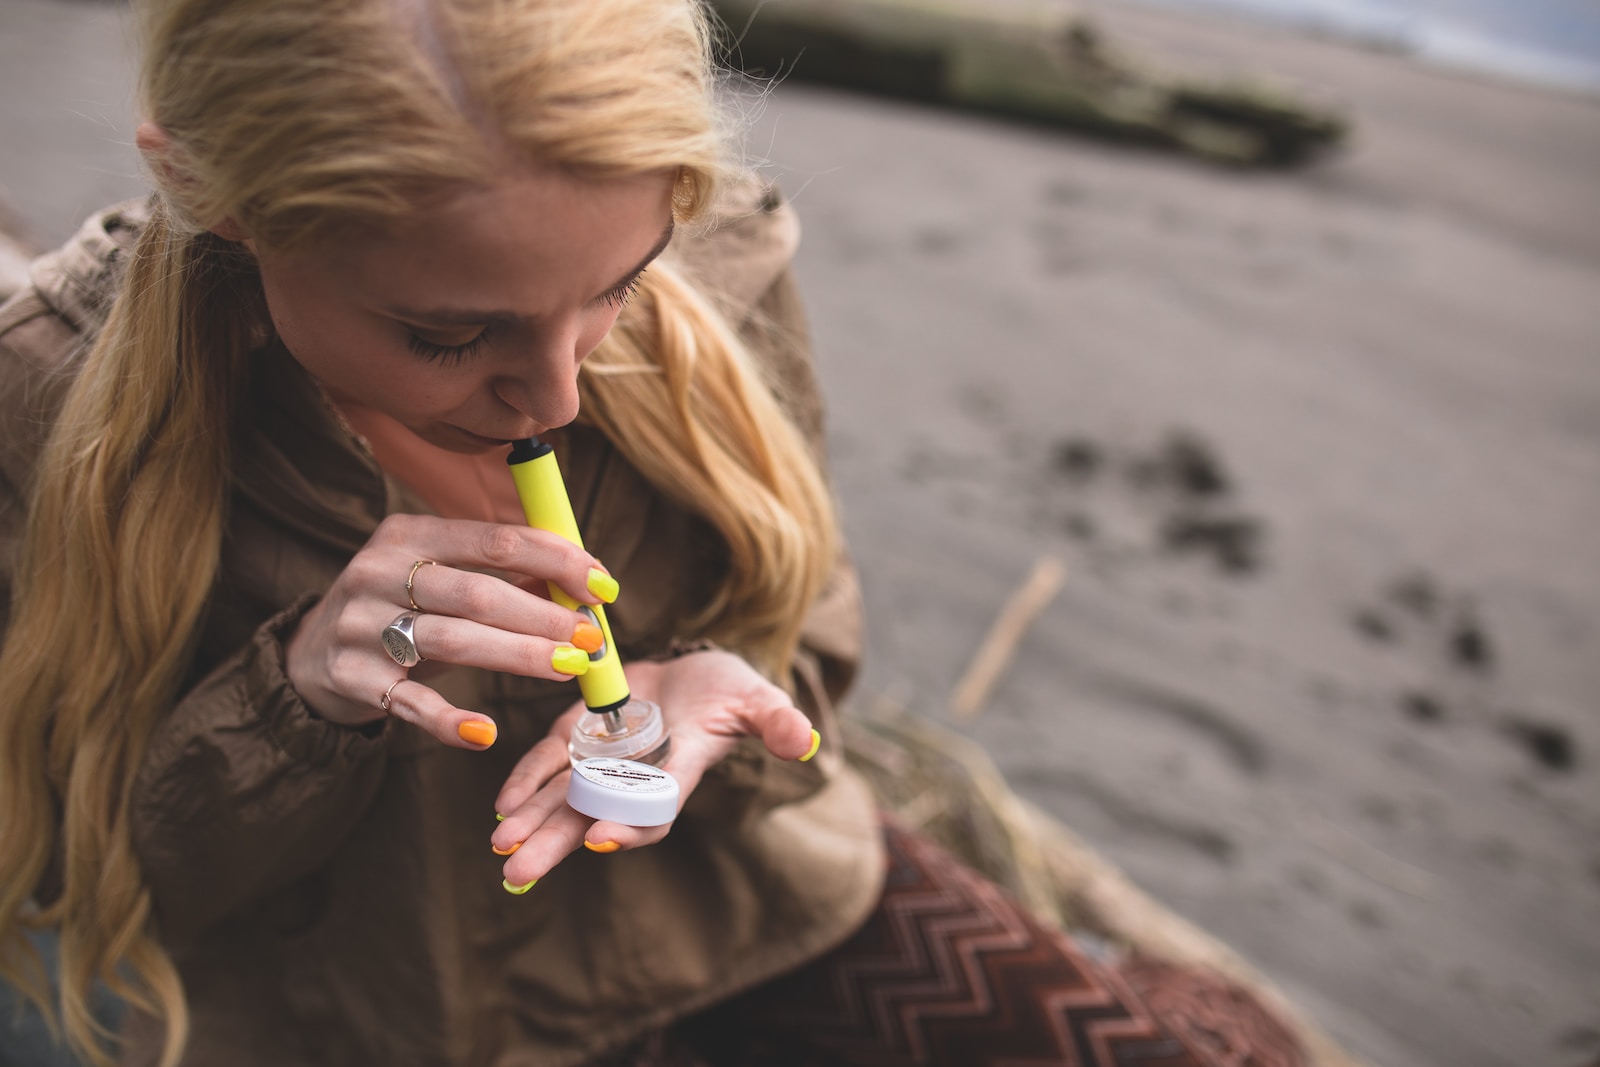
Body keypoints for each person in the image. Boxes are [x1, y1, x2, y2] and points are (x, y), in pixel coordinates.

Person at [0, 1, 1309, 1065]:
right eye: (451, 334)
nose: (559, 397)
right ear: (212, 194)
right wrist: (292, 705)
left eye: (614, 292)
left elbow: (808, 651)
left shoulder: (723, 263)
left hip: (738, 916)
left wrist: (729, 712)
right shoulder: (48, 400)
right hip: (339, 1021)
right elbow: (83, 886)